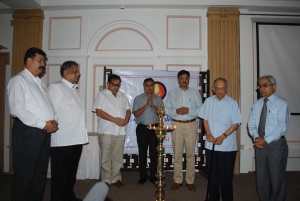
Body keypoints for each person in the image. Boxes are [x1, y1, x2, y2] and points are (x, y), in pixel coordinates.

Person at [7, 47, 58, 201]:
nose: (43, 64)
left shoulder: (39, 83)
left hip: (43, 132)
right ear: (29, 61)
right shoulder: (19, 80)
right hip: (28, 132)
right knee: (25, 175)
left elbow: (46, 106)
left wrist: (53, 121)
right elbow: (18, 110)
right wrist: (43, 124)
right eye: (40, 61)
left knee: (39, 174)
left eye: (44, 61)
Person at [48, 61, 89, 201]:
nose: (78, 74)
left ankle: (69, 197)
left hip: (75, 139)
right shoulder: (56, 88)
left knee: (71, 174)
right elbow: (49, 110)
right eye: (75, 71)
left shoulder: (73, 89)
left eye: (78, 72)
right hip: (62, 140)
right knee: (61, 176)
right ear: (65, 73)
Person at [198, 77, 242, 201]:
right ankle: (213, 198)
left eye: (223, 88)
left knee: (226, 177)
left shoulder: (232, 103)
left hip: (227, 147)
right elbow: (205, 119)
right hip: (211, 145)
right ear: (213, 89)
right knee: (212, 176)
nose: (220, 90)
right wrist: (209, 134)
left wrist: (223, 136)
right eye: (217, 87)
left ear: (226, 89)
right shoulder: (208, 101)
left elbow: (236, 123)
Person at [248, 75, 290, 201]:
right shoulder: (257, 104)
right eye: (260, 86)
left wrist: (265, 140)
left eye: (265, 85)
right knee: (262, 180)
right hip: (260, 145)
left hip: (276, 146)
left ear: (274, 86)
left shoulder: (282, 103)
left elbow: (281, 127)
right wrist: (257, 138)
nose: (262, 88)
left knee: (276, 180)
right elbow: (251, 123)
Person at [165, 70, 202, 191]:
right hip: (177, 124)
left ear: (189, 79)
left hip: (191, 124)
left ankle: (190, 180)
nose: (184, 80)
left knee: (191, 154)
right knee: (177, 154)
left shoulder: (195, 93)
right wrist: (176, 111)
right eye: (182, 78)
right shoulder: (172, 93)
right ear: (178, 79)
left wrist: (188, 111)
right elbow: (167, 109)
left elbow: (200, 109)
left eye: (186, 78)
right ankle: (177, 180)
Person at [92, 74, 131, 188]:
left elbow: (128, 109)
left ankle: (116, 178)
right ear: (108, 84)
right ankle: (106, 180)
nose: (116, 87)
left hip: (121, 131)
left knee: (118, 157)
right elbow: (99, 111)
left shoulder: (122, 95)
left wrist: (126, 119)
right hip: (107, 131)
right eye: (114, 85)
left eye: (118, 85)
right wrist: (115, 120)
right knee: (106, 157)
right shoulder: (102, 94)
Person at [132, 78, 163, 185]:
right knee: (142, 152)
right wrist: (146, 105)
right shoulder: (138, 98)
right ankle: (143, 176)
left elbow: (161, 114)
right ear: (144, 86)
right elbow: (136, 114)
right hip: (142, 129)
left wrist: (152, 105)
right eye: (147, 85)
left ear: (153, 86)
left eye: (151, 85)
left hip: (154, 128)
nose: (149, 87)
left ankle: (153, 176)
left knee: (154, 153)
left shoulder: (158, 99)